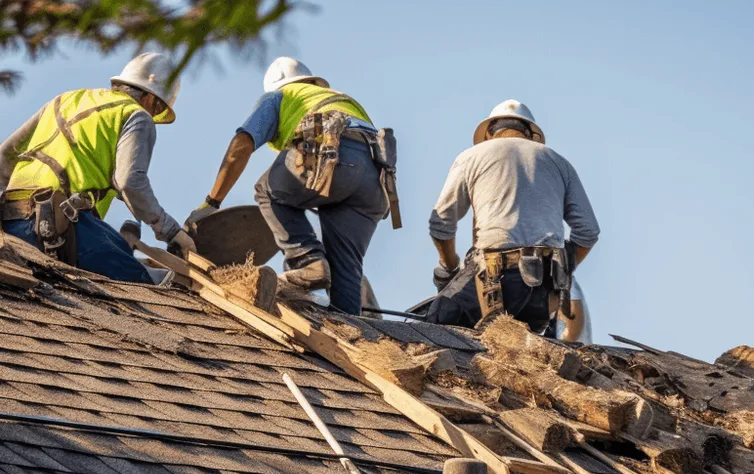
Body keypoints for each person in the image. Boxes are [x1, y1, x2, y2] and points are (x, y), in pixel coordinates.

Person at [194, 57, 393, 313]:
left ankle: (306, 260)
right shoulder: (340, 99)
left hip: (332, 155)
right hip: (374, 180)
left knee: (267, 190)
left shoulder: (280, 96)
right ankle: (349, 328)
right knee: (345, 269)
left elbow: (241, 146)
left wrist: (212, 202)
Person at [0, 53, 193, 282]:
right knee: (152, 281)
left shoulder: (66, 99)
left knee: (117, 245)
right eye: (157, 108)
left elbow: (5, 157)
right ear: (151, 99)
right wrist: (172, 232)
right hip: (59, 227)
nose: (153, 115)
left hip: (10, 220)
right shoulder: (136, 116)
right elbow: (130, 182)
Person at [426, 99, 599, 332]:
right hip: (544, 295)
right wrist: (561, 268)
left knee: (438, 321)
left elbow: (441, 223)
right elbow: (588, 232)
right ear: (531, 135)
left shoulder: (471, 157)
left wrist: (449, 267)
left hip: (496, 279)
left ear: (489, 133)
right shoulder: (559, 163)